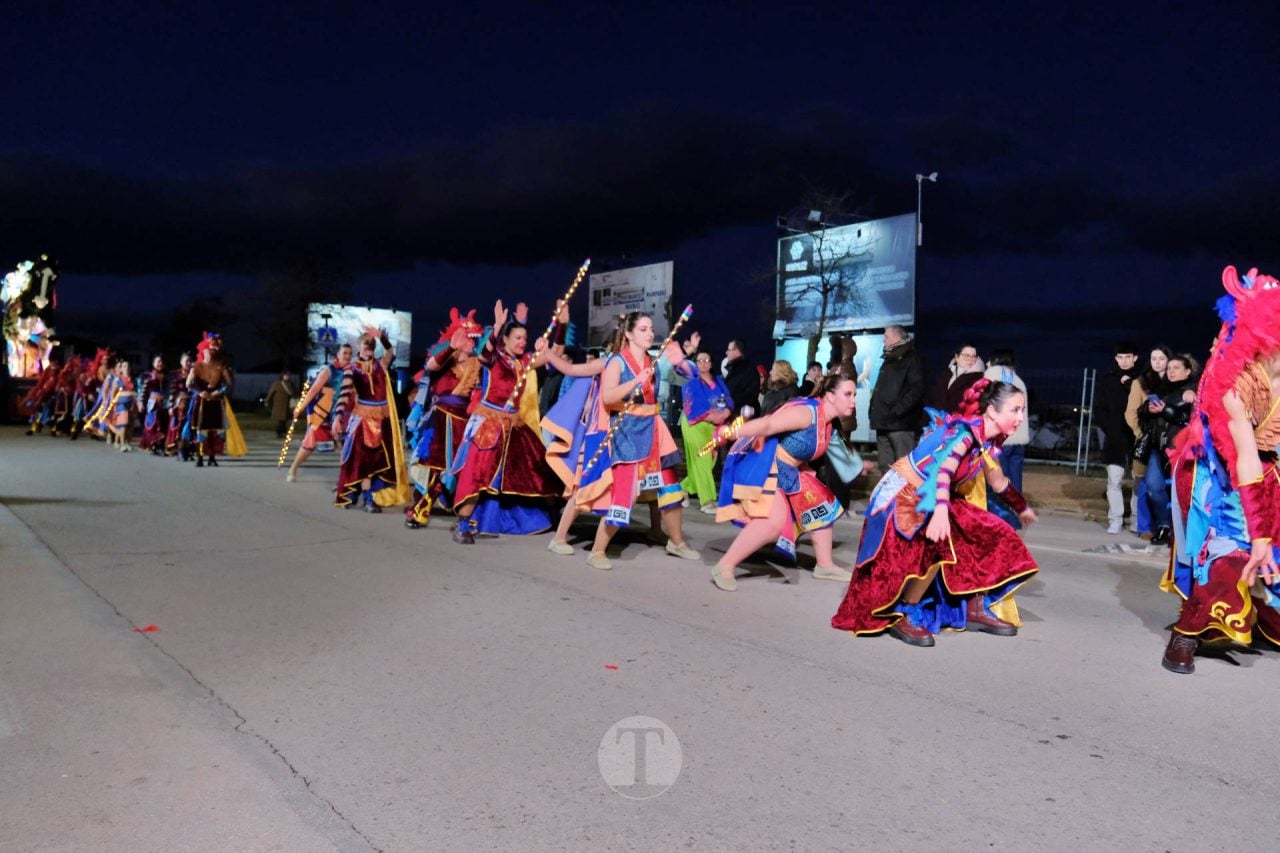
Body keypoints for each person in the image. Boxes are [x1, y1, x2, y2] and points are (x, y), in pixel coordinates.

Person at [831, 380, 1039, 647]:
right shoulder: (964, 435)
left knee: (989, 530)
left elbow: (998, 482)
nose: (1021, 417)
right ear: (991, 411)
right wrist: (941, 512)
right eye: (1015, 410)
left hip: (934, 494)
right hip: (905, 493)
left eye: (1022, 410)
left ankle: (974, 606)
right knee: (936, 545)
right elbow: (942, 471)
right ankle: (907, 611)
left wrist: (1021, 507)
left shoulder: (987, 440)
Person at [1161, 265, 1280, 674]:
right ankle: (1186, 633)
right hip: (1219, 473)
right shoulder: (1236, 381)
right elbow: (1244, 456)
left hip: (1269, 468)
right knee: (1234, 554)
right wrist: (1260, 530)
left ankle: (1265, 622)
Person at [706, 372, 860, 591]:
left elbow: (842, 458)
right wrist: (730, 432)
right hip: (768, 465)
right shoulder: (807, 414)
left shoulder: (828, 423)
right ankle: (725, 566)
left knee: (822, 507)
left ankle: (825, 565)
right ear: (831, 396)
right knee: (772, 524)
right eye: (848, 394)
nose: (853, 400)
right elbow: (768, 425)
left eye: (854, 394)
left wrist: (864, 468)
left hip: (791, 470)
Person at [576, 311, 701, 569]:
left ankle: (676, 541)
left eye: (651, 329)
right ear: (630, 333)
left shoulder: (655, 361)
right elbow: (608, 397)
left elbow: (690, 375)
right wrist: (635, 381)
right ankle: (598, 550)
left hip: (655, 431)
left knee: (670, 487)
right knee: (626, 493)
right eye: (643, 329)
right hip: (627, 431)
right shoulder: (617, 363)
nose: (650, 333)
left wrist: (683, 360)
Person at [448, 301, 563, 544]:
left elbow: (558, 353)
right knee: (478, 472)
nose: (523, 342)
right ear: (506, 340)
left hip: (513, 425)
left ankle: (552, 510)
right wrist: (497, 326)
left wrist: (561, 325)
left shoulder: (523, 362)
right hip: (489, 423)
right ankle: (463, 523)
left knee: (539, 464)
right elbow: (483, 353)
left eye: (525, 338)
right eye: (518, 338)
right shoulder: (495, 358)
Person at [404, 308, 484, 528]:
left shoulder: (478, 364)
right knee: (434, 466)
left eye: (471, 339)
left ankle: (466, 517)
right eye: (466, 338)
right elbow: (429, 367)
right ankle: (420, 509)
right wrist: (451, 347)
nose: (470, 342)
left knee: (463, 468)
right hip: (440, 421)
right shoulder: (445, 359)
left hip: (465, 423)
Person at [333, 329, 409, 511]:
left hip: (382, 420)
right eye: (365, 344)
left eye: (371, 345)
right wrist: (337, 417)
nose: (368, 348)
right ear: (359, 346)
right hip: (363, 420)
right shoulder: (352, 369)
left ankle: (367, 494)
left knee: (380, 460)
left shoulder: (380, 364)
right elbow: (344, 394)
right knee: (364, 461)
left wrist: (382, 337)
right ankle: (368, 499)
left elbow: (390, 352)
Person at [1138, 354, 1198, 545]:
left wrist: (1165, 410)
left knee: (1180, 491)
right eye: (1169, 368)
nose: (1171, 371)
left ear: (1187, 371)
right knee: (1154, 487)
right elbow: (1142, 412)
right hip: (1158, 447)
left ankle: (1180, 531)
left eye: (1176, 368)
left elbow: (1185, 418)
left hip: (1180, 449)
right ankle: (1164, 525)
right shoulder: (1161, 390)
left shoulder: (1192, 390)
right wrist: (1149, 409)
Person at [286, 344, 353, 482]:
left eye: (350, 353)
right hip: (324, 413)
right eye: (344, 353)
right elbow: (313, 390)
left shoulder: (353, 371)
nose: (347, 356)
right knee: (310, 442)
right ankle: (294, 468)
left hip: (344, 413)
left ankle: (345, 480)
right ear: (338, 355)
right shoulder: (329, 370)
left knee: (346, 445)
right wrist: (300, 407)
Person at [679, 349, 734, 514]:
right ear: (696, 365)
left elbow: (728, 399)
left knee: (709, 462)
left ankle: (681, 490)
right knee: (702, 460)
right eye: (700, 360)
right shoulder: (691, 384)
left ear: (711, 363)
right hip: (694, 425)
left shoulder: (718, 381)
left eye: (706, 360)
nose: (703, 363)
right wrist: (711, 416)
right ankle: (708, 502)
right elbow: (691, 406)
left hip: (713, 427)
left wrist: (726, 412)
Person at [1126, 346, 1171, 537]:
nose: (1158, 362)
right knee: (1144, 483)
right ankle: (1145, 527)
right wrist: (1140, 433)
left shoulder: (1175, 380)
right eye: (1154, 358)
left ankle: (1166, 525)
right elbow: (1131, 412)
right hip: (1149, 439)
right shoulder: (1141, 382)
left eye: (1162, 358)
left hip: (1170, 440)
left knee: (1166, 485)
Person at [1096, 342, 1141, 534]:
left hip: (1138, 438)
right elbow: (1100, 410)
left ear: (1135, 358)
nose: (1124, 361)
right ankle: (1115, 519)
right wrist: (1110, 429)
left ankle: (1136, 520)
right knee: (1114, 481)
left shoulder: (1142, 379)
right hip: (1115, 438)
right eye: (1120, 357)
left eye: (1127, 357)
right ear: (1115, 358)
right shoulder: (1107, 380)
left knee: (1139, 482)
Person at [184, 333, 247, 467]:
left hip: (216, 402)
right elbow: (188, 384)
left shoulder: (220, 366)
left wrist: (218, 391)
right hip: (201, 402)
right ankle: (200, 456)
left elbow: (228, 384)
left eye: (215, 349)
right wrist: (200, 392)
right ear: (203, 350)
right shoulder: (196, 366)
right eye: (210, 349)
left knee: (215, 431)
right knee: (201, 430)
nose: (213, 351)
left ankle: (212, 456)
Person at [869, 324, 926, 470]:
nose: (883, 340)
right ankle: (886, 494)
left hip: (901, 425)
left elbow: (916, 390)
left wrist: (897, 411)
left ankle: (907, 494)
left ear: (896, 337)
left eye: (886, 336)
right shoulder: (889, 358)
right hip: (883, 423)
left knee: (904, 471)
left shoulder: (911, 358)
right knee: (885, 470)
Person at [983, 348, 1028, 492]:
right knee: (1016, 480)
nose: (986, 363)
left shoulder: (992, 375)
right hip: (1018, 437)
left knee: (1000, 482)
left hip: (1001, 437)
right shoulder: (1018, 379)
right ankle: (1017, 509)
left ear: (996, 361)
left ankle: (1002, 512)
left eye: (989, 360)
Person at [930, 343, 985, 413]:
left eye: (974, 356)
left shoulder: (978, 379)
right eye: (966, 355)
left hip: (960, 421)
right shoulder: (945, 374)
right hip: (937, 419)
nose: (970, 359)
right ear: (957, 357)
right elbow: (933, 399)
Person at [137, 355, 168, 453]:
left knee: (164, 423)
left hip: (163, 403)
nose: (160, 364)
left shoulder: (167, 376)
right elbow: (143, 391)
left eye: (161, 362)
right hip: (153, 403)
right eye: (158, 362)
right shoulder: (149, 376)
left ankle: (161, 445)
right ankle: (153, 445)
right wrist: (141, 403)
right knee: (154, 423)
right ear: (153, 364)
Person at [165, 353, 193, 458]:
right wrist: (171, 406)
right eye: (186, 361)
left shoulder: (194, 373)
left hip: (191, 402)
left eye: (190, 361)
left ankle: (188, 449)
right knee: (178, 425)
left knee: (189, 425)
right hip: (179, 403)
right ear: (181, 362)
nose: (188, 363)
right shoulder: (175, 375)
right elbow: (172, 391)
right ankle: (176, 448)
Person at [722, 339, 758, 420]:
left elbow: (749, 396)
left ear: (737, 351)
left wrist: (728, 400)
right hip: (734, 415)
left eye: (728, 350)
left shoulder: (745, 370)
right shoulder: (735, 369)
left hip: (739, 418)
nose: (726, 352)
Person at [264, 369, 297, 438]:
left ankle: (283, 432)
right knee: (280, 420)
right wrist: (267, 400)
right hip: (278, 405)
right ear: (282, 376)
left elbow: (293, 393)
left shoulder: (291, 384)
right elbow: (271, 392)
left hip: (287, 405)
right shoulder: (277, 383)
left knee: (284, 420)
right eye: (286, 375)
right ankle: (280, 433)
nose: (287, 377)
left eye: (288, 375)